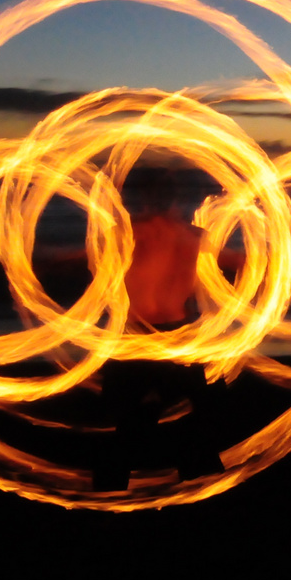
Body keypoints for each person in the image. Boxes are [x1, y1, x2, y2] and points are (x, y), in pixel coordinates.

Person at [91, 166, 224, 492]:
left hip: (135, 336)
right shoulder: (196, 236)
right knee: (191, 417)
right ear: (177, 198)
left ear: (144, 197)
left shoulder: (123, 234)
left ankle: (112, 493)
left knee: (126, 420)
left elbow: (103, 277)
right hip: (179, 334)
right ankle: (200, 487)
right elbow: (222, 269)